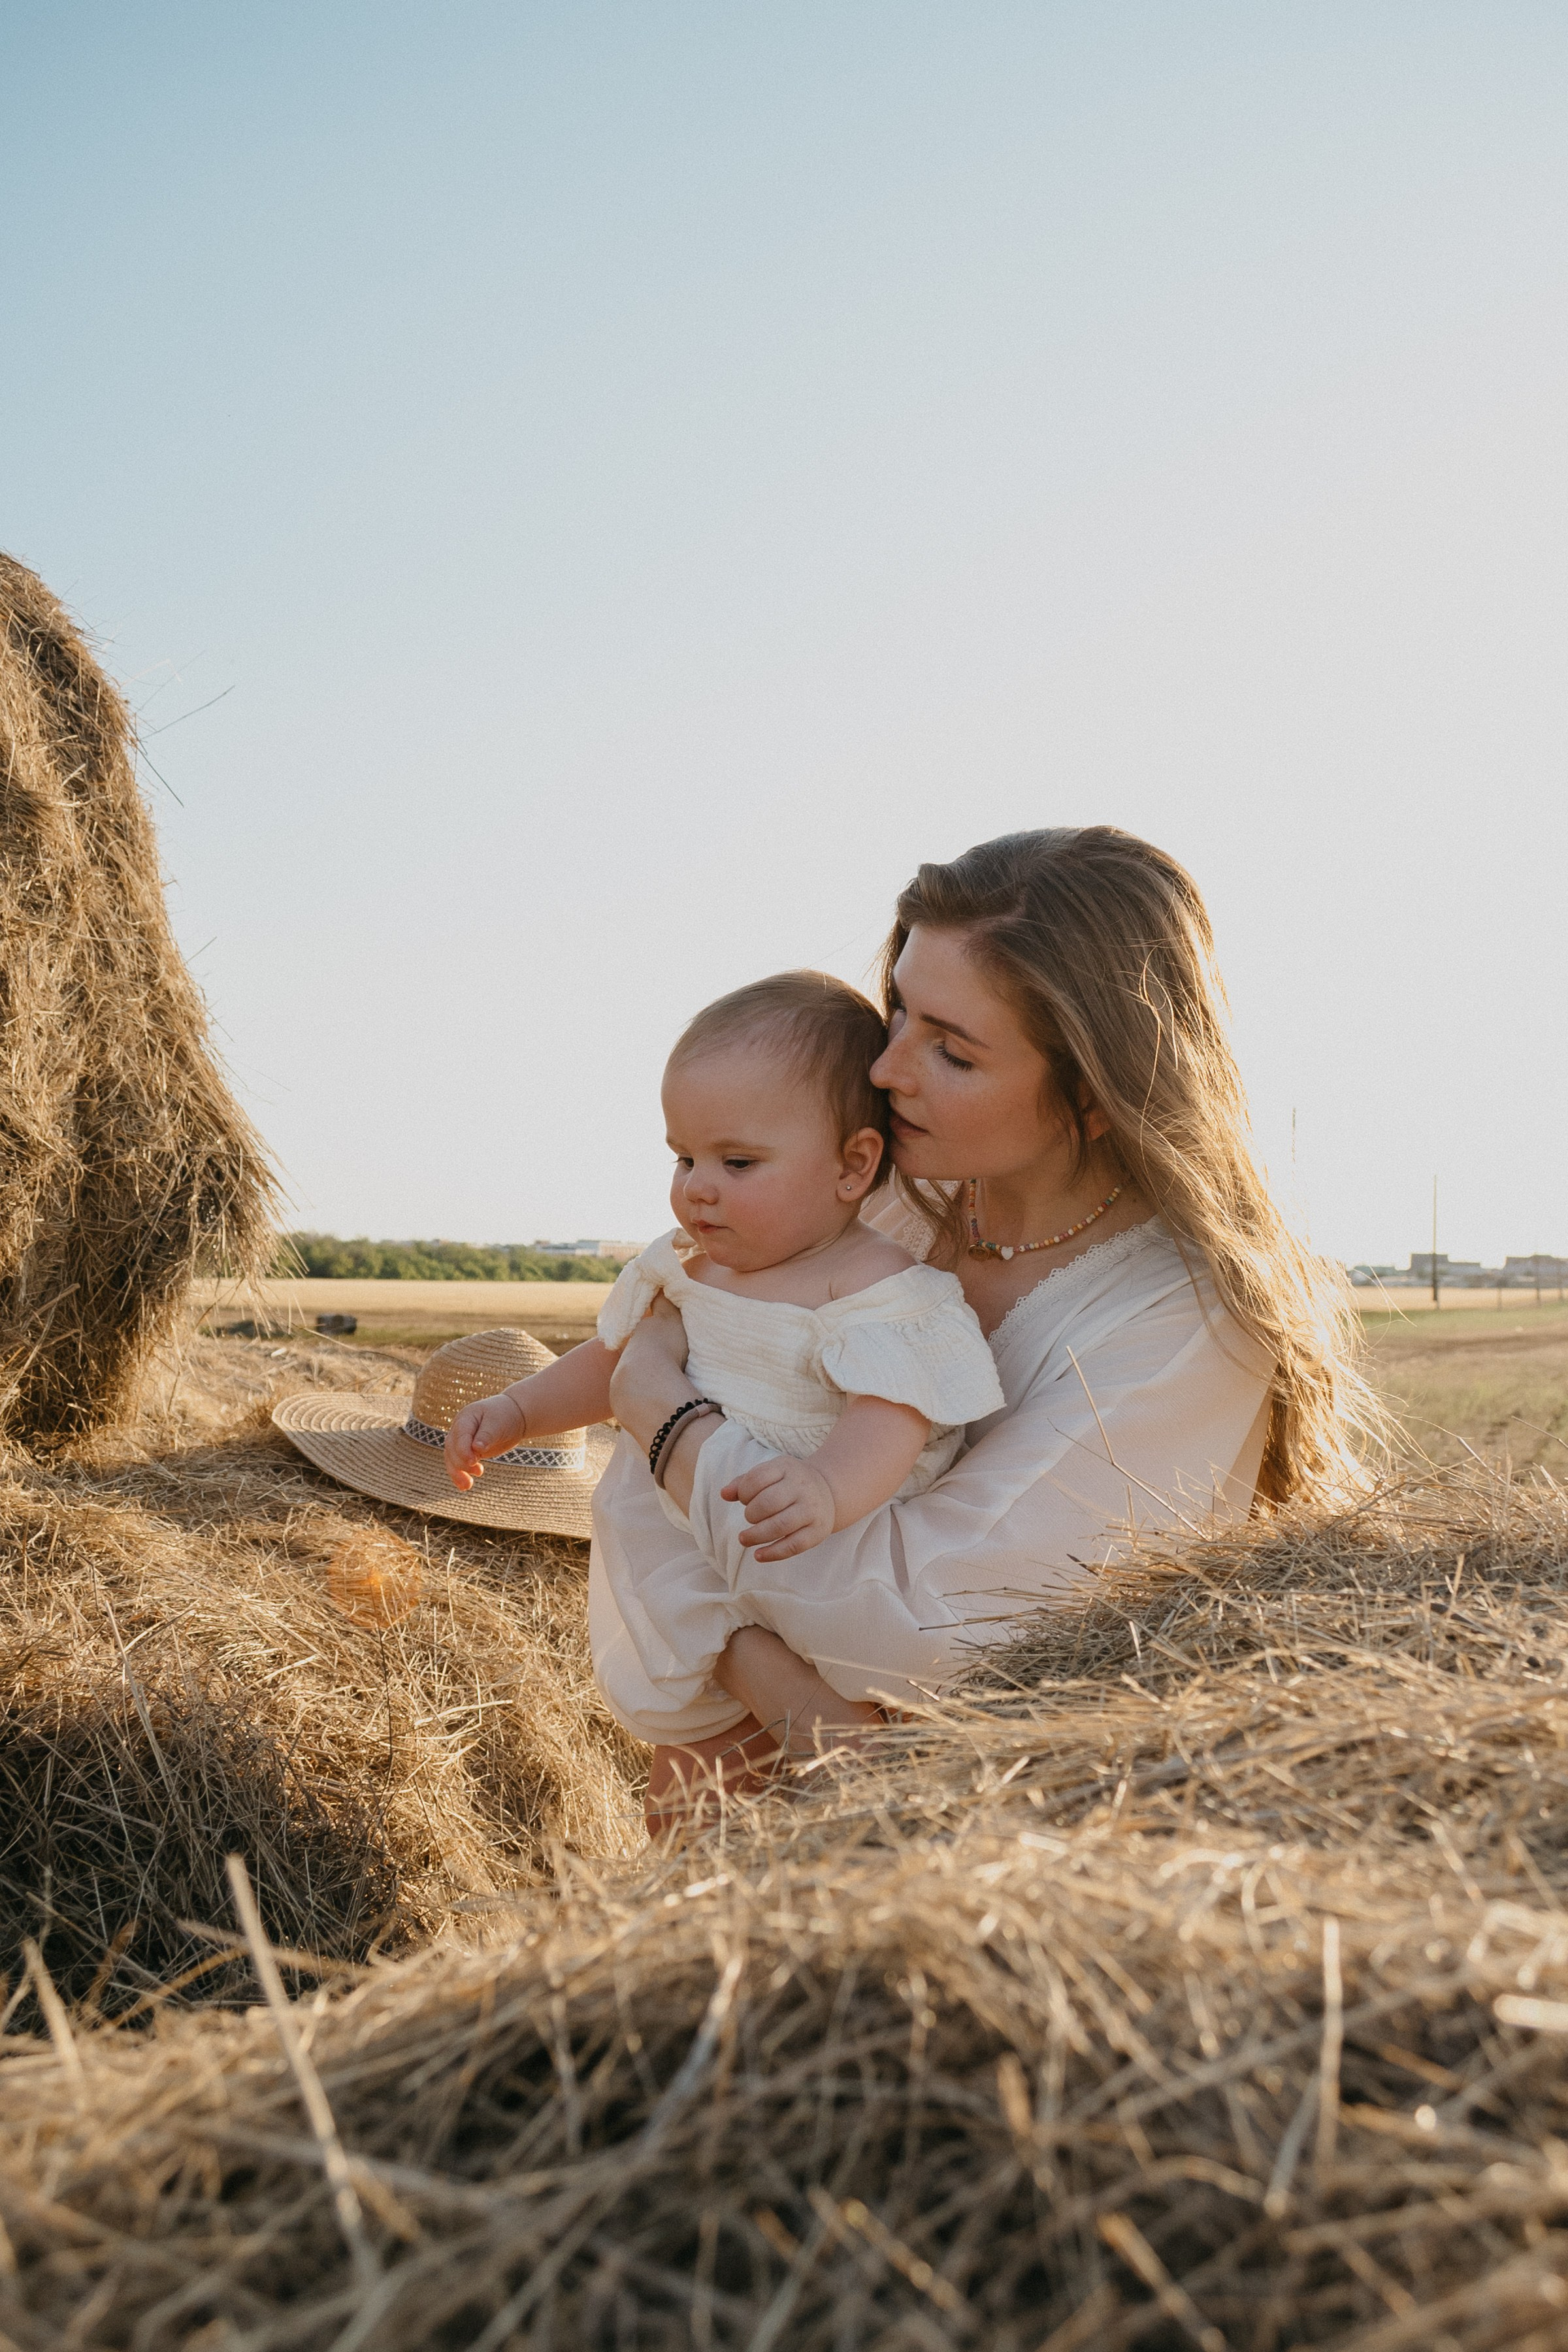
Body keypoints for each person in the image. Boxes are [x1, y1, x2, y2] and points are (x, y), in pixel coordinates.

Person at [602, 827, 1373, 1827]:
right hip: (729, 1816)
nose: (883, 1070)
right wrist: (781, 1680)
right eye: (898, 1014)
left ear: (1092, 1095)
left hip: (974, 1865)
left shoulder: (1188, 1324)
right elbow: (646, 1481)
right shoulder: (874, 1211)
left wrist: (665, 1424)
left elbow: (922, 1627)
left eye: (950, 1051)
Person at [444, 976, 1005, 1803]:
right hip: (696, 1555)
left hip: (808, 1554)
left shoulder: (874, 1287)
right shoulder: (692, 1270)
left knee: (794, 1780)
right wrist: (523, 1409)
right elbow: (616, 1363)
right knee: (691, 1780)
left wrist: (827, 1484)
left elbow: (892, 1417)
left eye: (736, 1162)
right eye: (684, 1156)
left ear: (853, 1165)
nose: (697, 1186)